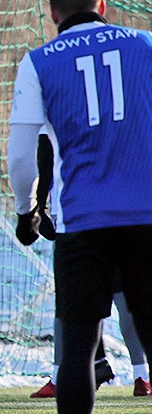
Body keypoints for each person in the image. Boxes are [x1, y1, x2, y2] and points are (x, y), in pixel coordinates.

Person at [7, 0, 152, 414]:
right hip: (147, 218)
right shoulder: (146, 45)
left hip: (81, 224)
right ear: (104, 5)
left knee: (78, 347)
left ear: (53, 16)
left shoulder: (39, 62)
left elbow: (22, 156)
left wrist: (27, 210)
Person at [30, 132, 150, 399]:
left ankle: (141, 375)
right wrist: (39, 207)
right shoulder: (54, 119)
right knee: (76, 302)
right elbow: (44, 162)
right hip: (77, 220)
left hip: (110, 217)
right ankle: (77, 372)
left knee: (124, 299)